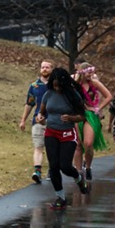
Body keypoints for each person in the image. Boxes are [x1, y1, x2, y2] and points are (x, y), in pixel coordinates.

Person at [35, 68, 89, 209]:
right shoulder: (48, 94)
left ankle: (78, 178)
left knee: (65, 166)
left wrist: (71, 118)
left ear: (64, 84)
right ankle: (61, 197)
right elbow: (41, 113)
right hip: (51, 133)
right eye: (54, 85)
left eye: (59, 85)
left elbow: (82, 116)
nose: (57, 88)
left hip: (67, 133)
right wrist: (40, 118)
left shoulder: (73, 95)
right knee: (53, 167)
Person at [72, 60, 111, 181]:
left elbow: (109, 96)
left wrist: (98, 108)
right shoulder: (75, 84)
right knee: (78, 144)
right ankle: (78, 173)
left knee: (88, 143)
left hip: (90, 115)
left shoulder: (94, 83)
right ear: (82, 73)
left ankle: (88, 167)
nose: (91, 74)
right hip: (77, 114)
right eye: (88, 72)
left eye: (92, 72)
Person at [18, 60, 53, 184]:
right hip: (38, 120)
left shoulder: (56, 85)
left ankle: (52, 170)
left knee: (51, 148)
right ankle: (37, 171)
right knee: (38, 146)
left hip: (53, 121)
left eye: (47, 67)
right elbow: (29, 104)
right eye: (42, 67)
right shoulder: (35, 86)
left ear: (51, 69)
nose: (44, 69)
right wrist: (23, 120)